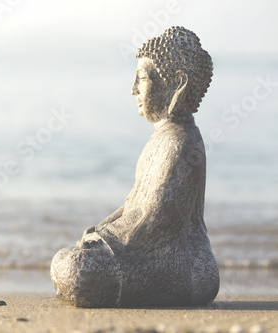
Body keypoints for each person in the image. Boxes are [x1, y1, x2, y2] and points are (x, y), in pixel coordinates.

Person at [50, 26, 219, 308]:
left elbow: (156, 219)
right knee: (66, 259)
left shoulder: (182, 144)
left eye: (141, 79)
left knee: (78, 270)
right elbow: (133, 206)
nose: (133, 89)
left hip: (184, 267)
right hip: (148, 252)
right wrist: (100, 231)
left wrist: (105, 241)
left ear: (177, 84)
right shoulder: (159, 140)